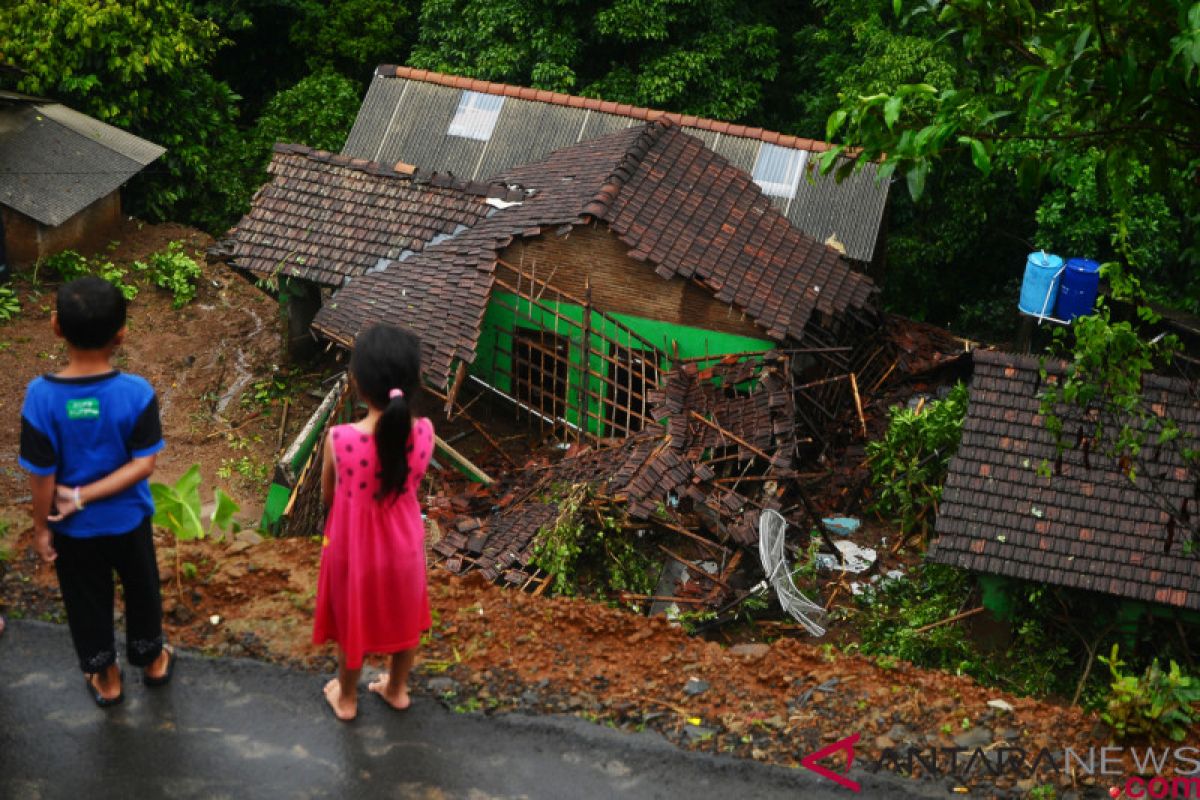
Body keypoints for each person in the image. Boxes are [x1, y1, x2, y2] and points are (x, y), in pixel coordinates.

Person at [19, 276, 173, 707]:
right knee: (142, 589)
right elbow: (144, 464)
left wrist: (43, 526)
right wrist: (86, 494)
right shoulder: (137, 393)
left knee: (86, 601)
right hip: (128, 521)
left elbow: (41, 476)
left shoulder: (40, 398)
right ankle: (153, 660)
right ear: (121, 333)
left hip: (74, 532)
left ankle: (107, 679)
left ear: (55, 326)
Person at [313, 324, 434, 721]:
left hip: (356, 552)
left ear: (358, 384)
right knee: (406, 618)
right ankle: (396, 689)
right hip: (405, 550)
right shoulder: (425, 433)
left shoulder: (341, 439)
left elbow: (329, 497)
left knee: (354, 622)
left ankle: (346, 699)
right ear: (412, 383)